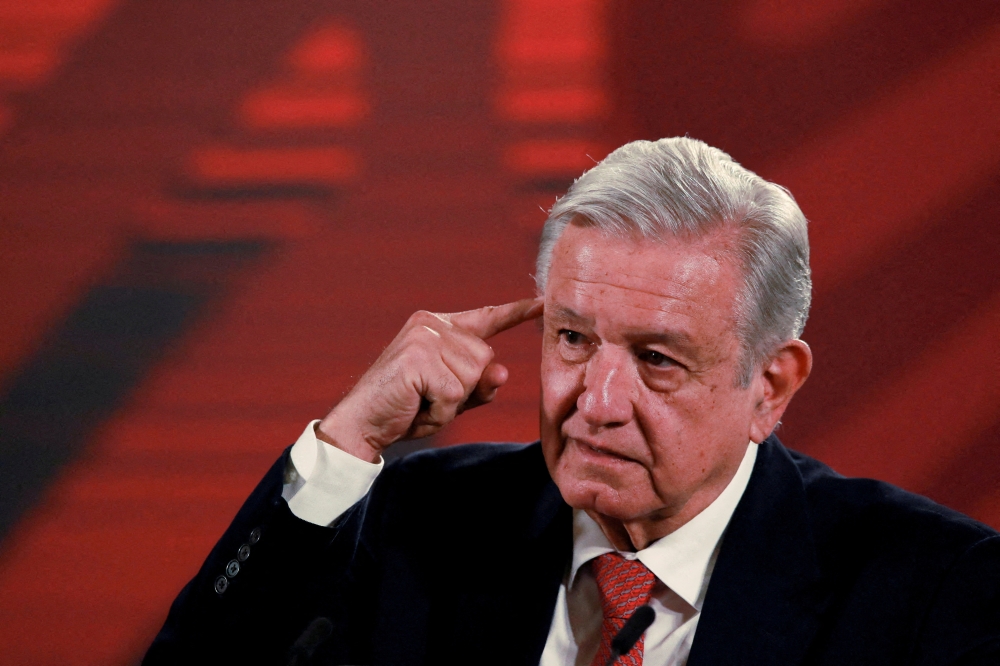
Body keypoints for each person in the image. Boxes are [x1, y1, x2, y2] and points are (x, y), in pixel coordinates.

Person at [143, 138, 1000, 666]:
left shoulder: (933, 591)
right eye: (573, 339)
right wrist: (346, 443)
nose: (597, 401)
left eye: (657, 358)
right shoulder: (424, 522)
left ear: (769, 387)